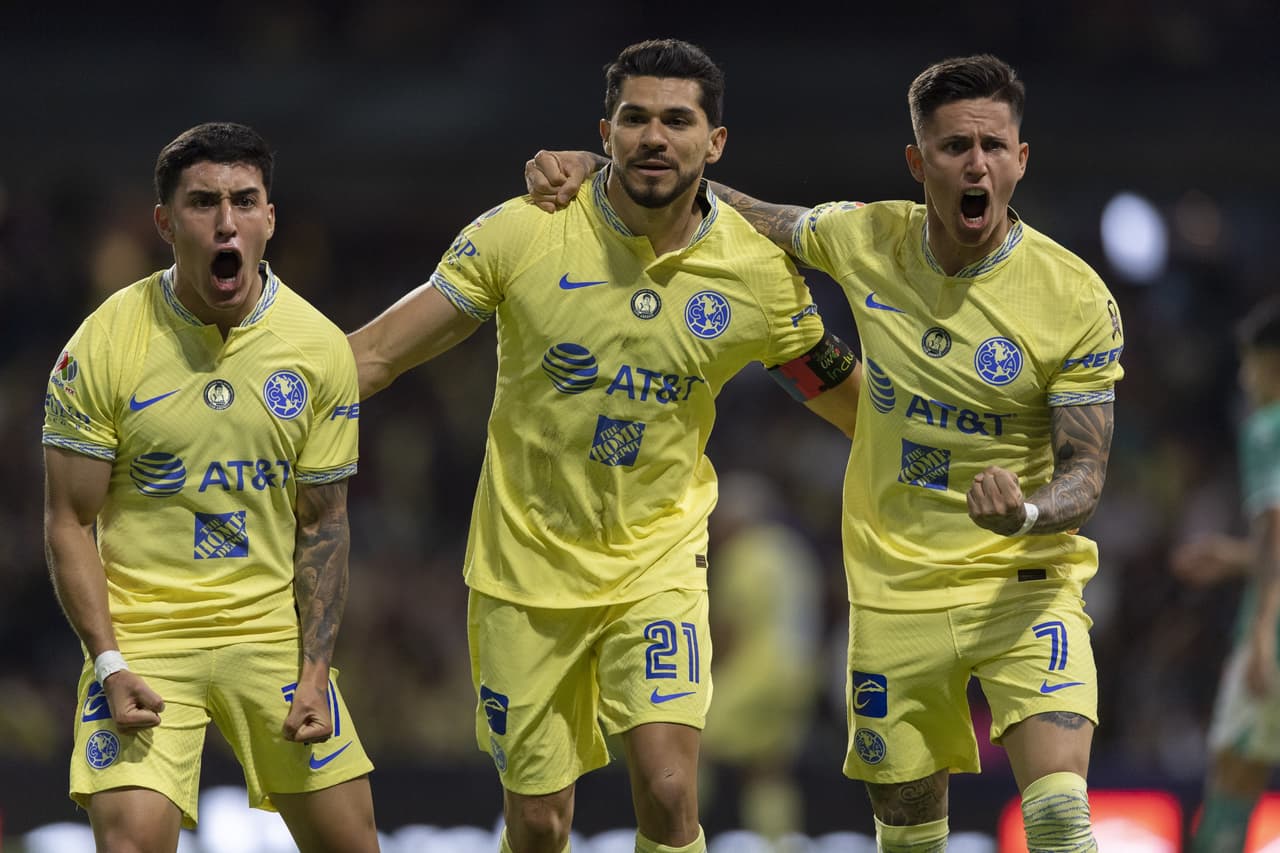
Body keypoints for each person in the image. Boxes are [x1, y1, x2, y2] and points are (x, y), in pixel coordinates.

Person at [527, 53, 1123, 852]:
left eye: (992, 146)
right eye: (952, 148)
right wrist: (603, 165)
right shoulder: (866, 235)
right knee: (910, 836)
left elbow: (1086, 472)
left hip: (1023, 587)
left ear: (1020, 158)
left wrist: (1026, 510)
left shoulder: (1074, 296)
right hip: (893, 595)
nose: (974, 164)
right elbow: (744, 210)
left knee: (1057, 818)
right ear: (919, 162)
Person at [348, 38, 860, 853]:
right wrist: (262, 407)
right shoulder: (521, 233)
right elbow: (374, 355)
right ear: (606, 132)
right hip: (523, 569)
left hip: (656, 563)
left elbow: (848, 402)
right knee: (542, 822)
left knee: (668, 789)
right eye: (636, 118)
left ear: (714, 143)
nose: (655, 136)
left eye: (678, 120)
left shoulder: (757, 275)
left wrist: (963, 460)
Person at [42, 122, 379, 853]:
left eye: (243, 200)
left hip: (268, 634)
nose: (226, 221)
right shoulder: (100, 345)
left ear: (269, 217)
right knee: (129, 842)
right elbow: (68, 519)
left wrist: (316, 671)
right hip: (146, 633)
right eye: (202, 203)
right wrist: (108, 660)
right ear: (166, 222)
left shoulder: (317, 347)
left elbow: (324, 522)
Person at [1173, 297, 1280, 852]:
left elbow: (1277, 534)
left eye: (1251, 361)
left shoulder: (1267, 429)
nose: (1244, 376)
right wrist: (1234, 558)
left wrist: (1261, 638)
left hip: (1272, 630)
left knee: (1232, 777)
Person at [699, 470, 824, 848]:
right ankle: (779, 843)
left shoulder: (745, 551)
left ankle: (678, 836)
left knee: (689, 746)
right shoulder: (795, 550)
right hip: (801, 674)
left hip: (755, 672)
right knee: (769, 769)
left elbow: (730, 625)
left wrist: (710, 671)